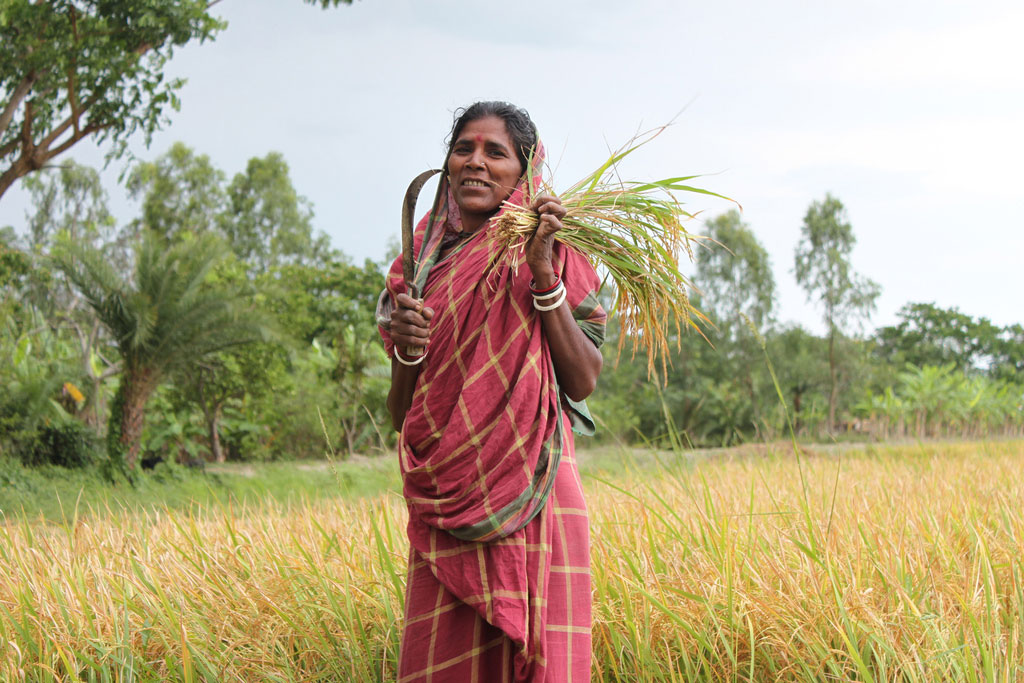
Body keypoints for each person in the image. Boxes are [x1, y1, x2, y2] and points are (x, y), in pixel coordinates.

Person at [378, 101, 606, 682]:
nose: (475, 162)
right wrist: (407, 349)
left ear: (524, 172)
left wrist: (542, 273)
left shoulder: (556, 247)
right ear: (448, 164)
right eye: (464, 149)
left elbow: (583, 379)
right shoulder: (419, 266)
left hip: (534, 484)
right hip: (446, 497)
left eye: (495, 152)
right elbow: (401, 414)